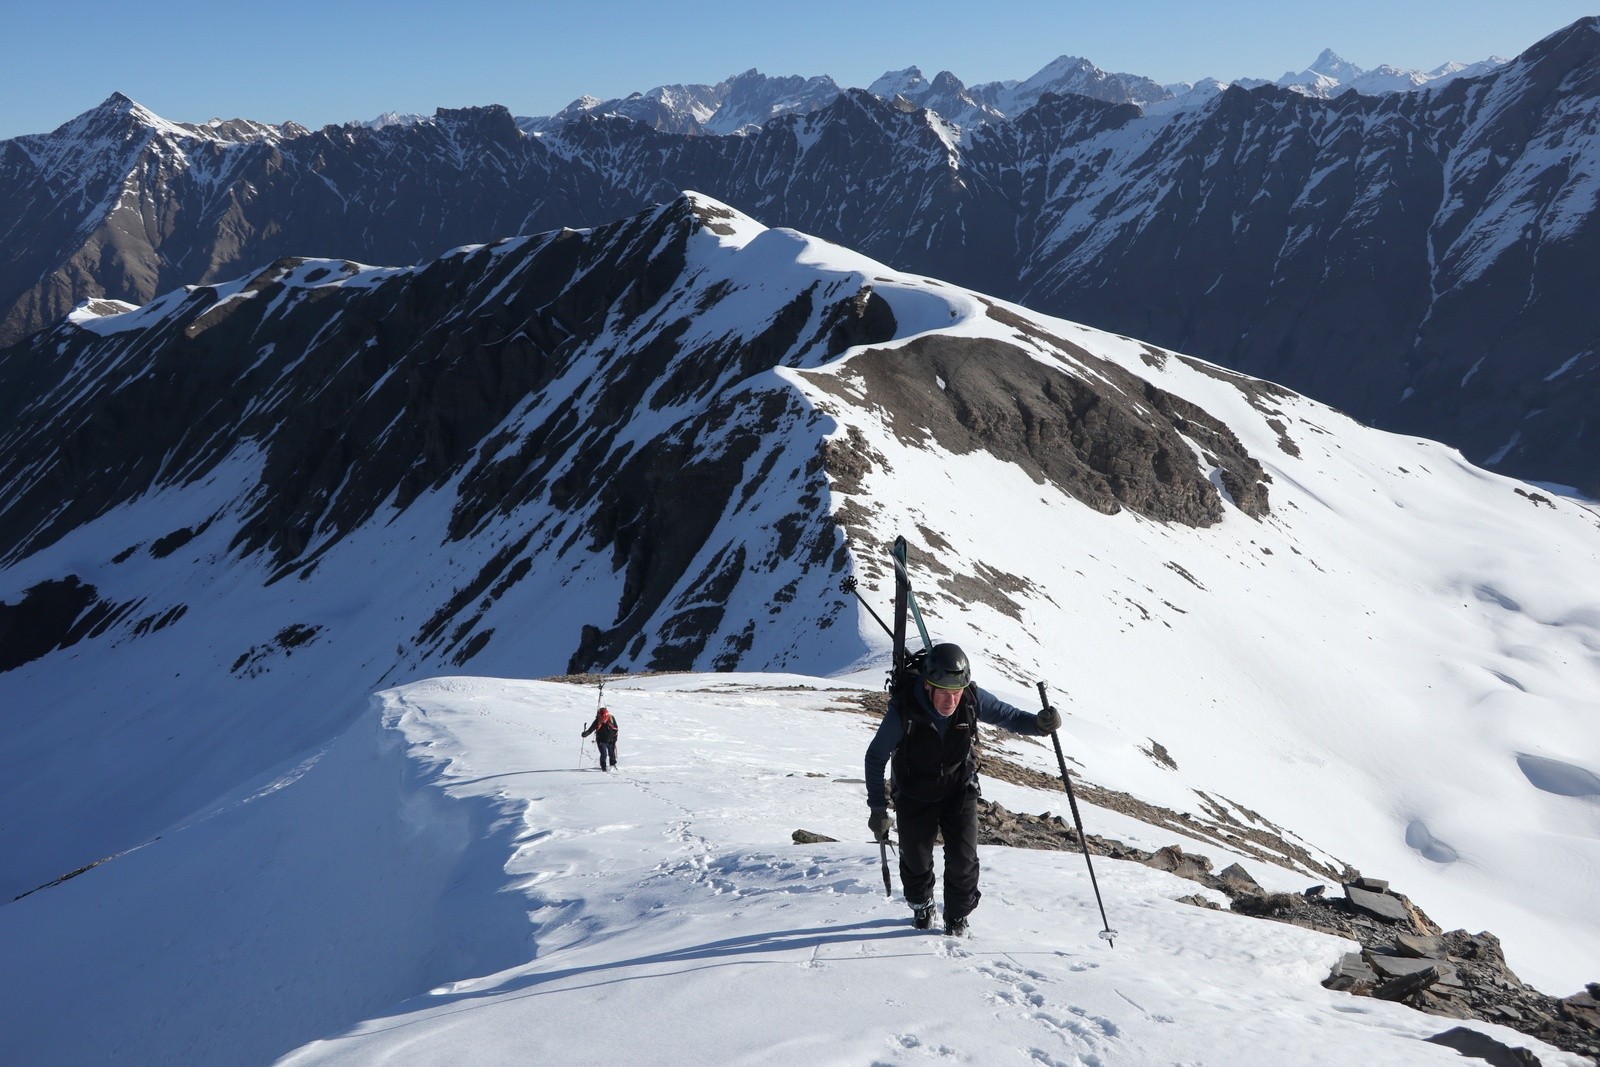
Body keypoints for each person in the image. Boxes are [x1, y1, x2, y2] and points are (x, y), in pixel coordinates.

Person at [865, 642, 1061, 936]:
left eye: (956, 691)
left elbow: (1008, 716)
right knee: (916, 862)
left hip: (958, 789)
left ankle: (956, 916)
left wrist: (1040, 724)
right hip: (914, 793)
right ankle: (921, 904)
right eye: (943, 692)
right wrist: (878, 810)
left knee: (963, 860)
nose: (951, 700)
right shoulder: (904, 709)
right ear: (927, 686)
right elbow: (876, 756)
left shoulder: (971, 698)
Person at [582, 706, 620, 771]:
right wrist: (585, 734)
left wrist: (615, 739)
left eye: (604, 718)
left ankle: (612, 765)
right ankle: (603, 767)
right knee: (604, 754)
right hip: (601, 740)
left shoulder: (611, 718)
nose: (603, 720)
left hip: (611, 740)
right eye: (602, 718)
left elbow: (616, 729)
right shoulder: (597, 721)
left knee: (612, 753)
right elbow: (591, 729)